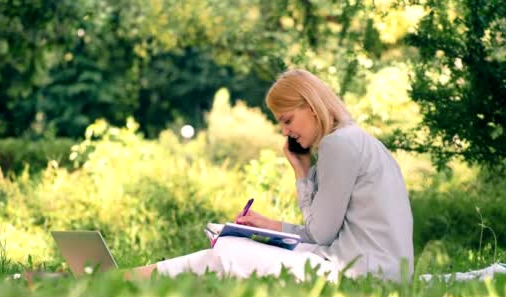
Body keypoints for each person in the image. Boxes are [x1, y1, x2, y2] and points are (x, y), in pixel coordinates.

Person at [129, 69, 414, 282]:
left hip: (358, 272)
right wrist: (268, 226)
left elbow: (321, 234)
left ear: (313, 107)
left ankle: (125, 278)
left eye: (287, 120)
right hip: (372, 267)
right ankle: (132, 276)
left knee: (230, 250)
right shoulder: (357, 141)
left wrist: (302, 175)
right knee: (235, 246)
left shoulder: (338, 144)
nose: (285, 132)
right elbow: (329, 232)